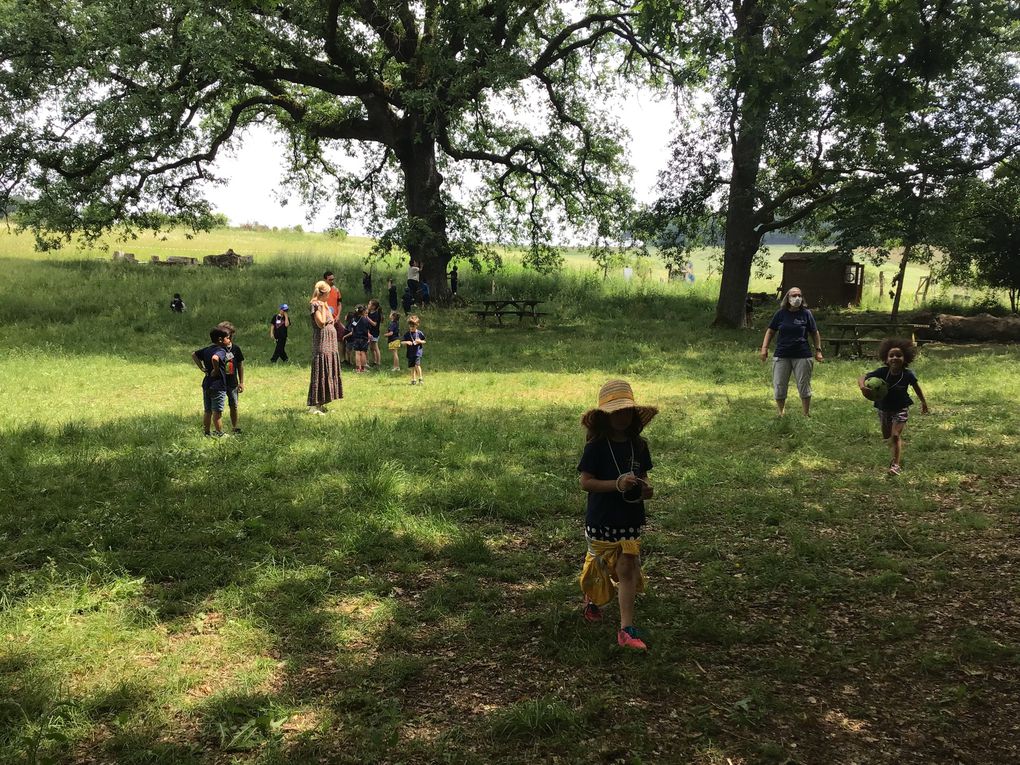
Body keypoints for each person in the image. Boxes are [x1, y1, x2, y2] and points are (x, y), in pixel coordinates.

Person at [577, 379, 657, 651]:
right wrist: (616, 485)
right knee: (598, 565)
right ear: (605, 416)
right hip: (601, 517)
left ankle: (626, 628)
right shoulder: (596, 447)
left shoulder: (639, 446)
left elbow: (644, 477)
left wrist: (646, 489)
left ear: (634, 413)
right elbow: (585, 482)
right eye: (615, 412)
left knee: (626, 567)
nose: (621, 417)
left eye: (626, 411)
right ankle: (591, 599)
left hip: (630, 518)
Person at [858, 339, 930, 475]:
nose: (895, 358)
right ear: (886, 358)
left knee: (895, 435)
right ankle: (897, 447)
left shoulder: (908, 374)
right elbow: (862, 377)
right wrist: (863, 387)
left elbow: (917, 387)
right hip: (884, 408)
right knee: (887, 436)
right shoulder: (882, 372)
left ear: (905, 358)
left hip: (901, 408)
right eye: (891, 355)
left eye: (898, 355)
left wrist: (923, 402)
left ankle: (895, 465)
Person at [759, 287, 824, 416]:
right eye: (794, 295)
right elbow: (770, 331)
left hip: (802, 355)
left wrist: (818, 351)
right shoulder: (780, 314)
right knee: (779, 384)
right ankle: (781, 413)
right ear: (788, 298)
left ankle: (806, 414)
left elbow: (814, 333)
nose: (797, 298)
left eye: (799, 295)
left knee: (803, 384)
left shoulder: (806, 314)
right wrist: (764, 348)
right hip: (782, 355)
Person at [308, 280, 343, 414]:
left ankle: (322, 402)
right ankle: (314, 405)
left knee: (328, 369)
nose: (329, 296)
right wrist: (323, 307)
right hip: (322, 342)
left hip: (330, 343)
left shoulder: (324, 303)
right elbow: (321, 323)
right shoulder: (316, 305)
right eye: (328, 293)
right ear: (323, 293)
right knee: (320, 369)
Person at [192, 327, 229, 437]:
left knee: (208, 411)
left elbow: (194, 354)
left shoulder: (207, 349)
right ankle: (219, 433)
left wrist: (202, 368)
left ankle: (207, 432)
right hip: (217, 385)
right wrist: (216, 370)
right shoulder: (221, 351)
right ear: (220, 340)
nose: (229, 340)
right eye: (227, 338)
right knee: (217, 412)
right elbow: (215, 358)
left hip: (206, 383)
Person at [216, 322, 245, 434]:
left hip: (232, 382)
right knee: (218, 407)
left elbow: (240, 365)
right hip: (219, 382)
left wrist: (241, 382)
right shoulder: (217, 349)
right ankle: (219, 430)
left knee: (234, 405)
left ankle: (234, 427)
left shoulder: (236, 349)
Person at [344, 304, 372, 373]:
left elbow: (352, 328)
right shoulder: (366, 320)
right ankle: (363, 368)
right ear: (363, 312)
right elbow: (369, 328)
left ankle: (357, 368)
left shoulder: (354, 320)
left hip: (356, 338)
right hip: (364, 338)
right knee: (363, 353)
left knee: (357, 353)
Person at [402, 314, 426, 385]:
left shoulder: (419, 333)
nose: (411, 328)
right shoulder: (407, 334)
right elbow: (402, 342)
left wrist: (420, 341)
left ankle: (420, 379)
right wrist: (406, 342)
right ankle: (413, 379)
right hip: (410, 353)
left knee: (417, 365)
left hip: (417, 352)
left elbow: (424, 341)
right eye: (410, 326)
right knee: (412, 366)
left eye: (413, 326)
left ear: (417, 325)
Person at [366, 299, 383, 368]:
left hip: (375, 333)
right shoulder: (370, 312)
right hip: (370, 332)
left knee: (375, 347)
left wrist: (367, 318)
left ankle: (378, 362)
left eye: (369, 304)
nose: (368, 305)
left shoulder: (376, 314)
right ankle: (374, 361)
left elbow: (374, 324)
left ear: (373, 306)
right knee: (371, 348)